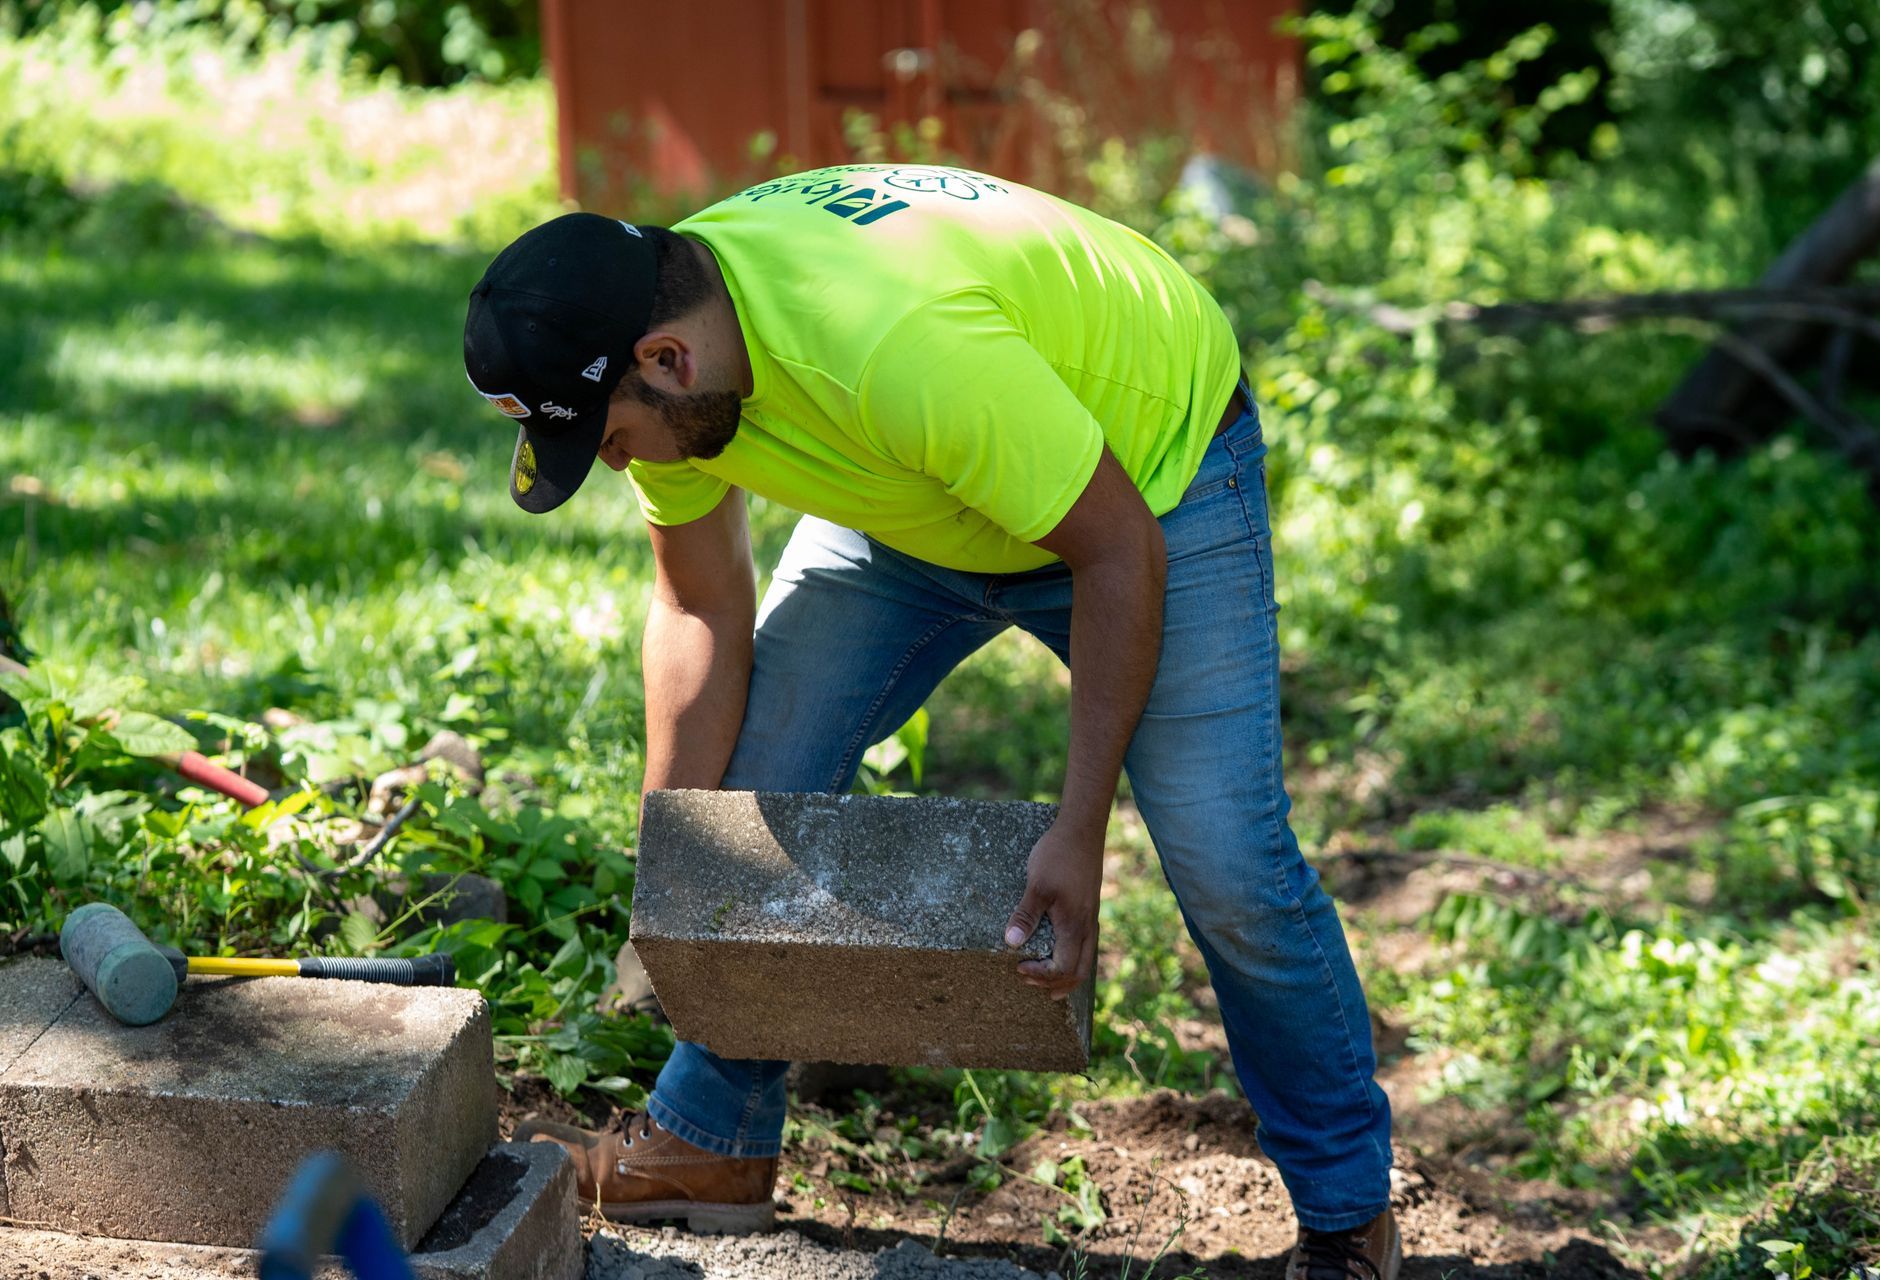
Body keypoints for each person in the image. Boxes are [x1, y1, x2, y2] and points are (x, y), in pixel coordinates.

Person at [463, 163, 1399, 1280]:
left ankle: (1348, 1214)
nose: (614, 463)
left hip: (1145, 482)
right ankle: (711, 1138)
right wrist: (676, 854)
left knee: (1230, 865)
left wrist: (1079, 826)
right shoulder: (673, 339)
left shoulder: (890, 342)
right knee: (744, 809)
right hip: (915, 492)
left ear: (670, 363)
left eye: (610, 438)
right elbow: (699, 601)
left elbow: (1115, 550)